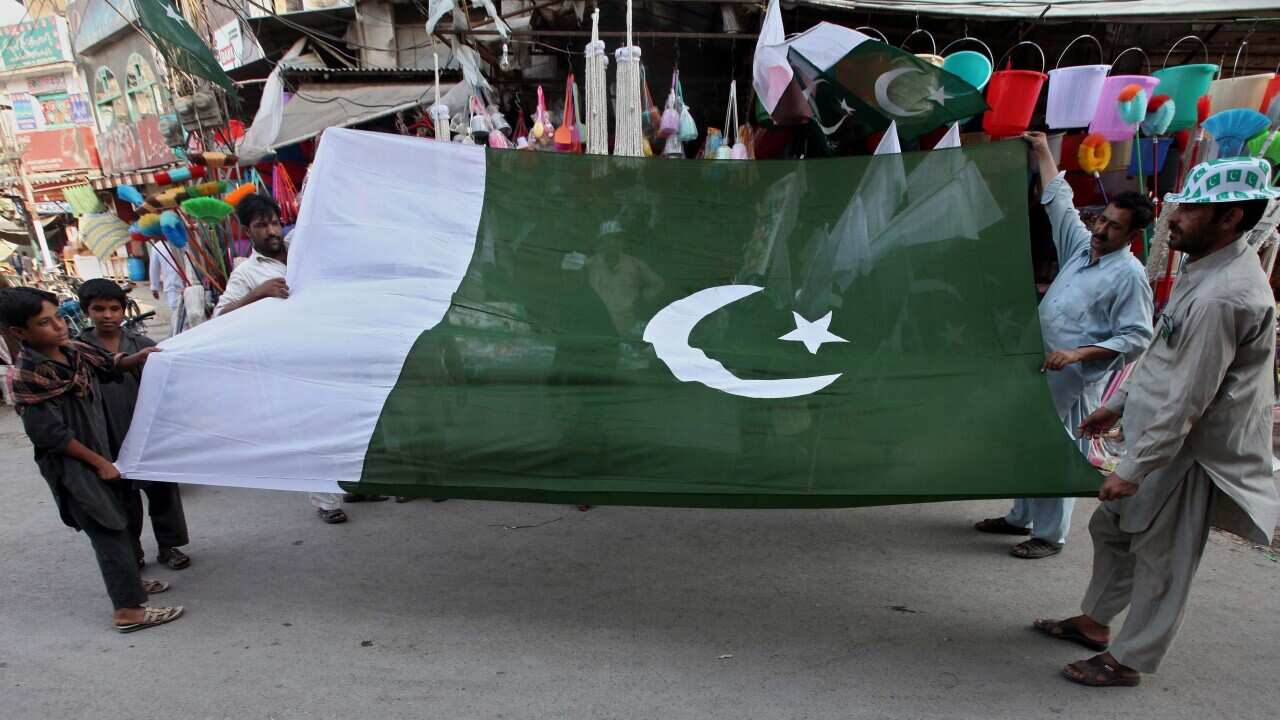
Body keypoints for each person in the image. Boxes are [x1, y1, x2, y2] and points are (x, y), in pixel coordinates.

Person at [1034, 157, 1280, 687]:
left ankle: (1129, 660)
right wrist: (1118, 407)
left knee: (1162, 556)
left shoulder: (1225, 295)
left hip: (1192, 451)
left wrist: (1134, 468)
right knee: (1115, 528)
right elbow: (1163, 355)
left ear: (1231, 217)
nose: (1174, 218)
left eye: (1190, 209)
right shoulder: (1207, 269)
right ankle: (1095, 624)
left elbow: (1189, 397)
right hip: (1159, 436)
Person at [974, 132, 1156, 559]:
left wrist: (1078, 354)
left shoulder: (1128, 275)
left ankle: (1050, 535)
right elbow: (1060, 204)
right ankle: (1021, 516)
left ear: (1131, 235)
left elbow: (1136, 336)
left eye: (1114, 227)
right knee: (1026, 439)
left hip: (1074, 379)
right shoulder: (1081, 248)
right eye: (1102, 219)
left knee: (1057, 450)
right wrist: (1041, 151)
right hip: (1038, 366)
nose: (1102, 229)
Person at [0, 286, 183, 633]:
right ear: (19, 333)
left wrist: (138, 359)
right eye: (45, 322)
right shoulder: (29, 374)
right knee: (108, 528)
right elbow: (50, 435)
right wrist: (99, 463)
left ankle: (130, 584)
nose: (57, 326)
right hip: (74, 465)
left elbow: (110, 365)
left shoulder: (72, 351)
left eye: (57, 317)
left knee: (121, 518)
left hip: (100, 451)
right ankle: (128, 611)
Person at [214, 194, 384, 522]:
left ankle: (355, 485)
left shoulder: (303, 249)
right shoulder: (247, 274)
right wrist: (258, 293)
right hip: (293, 364)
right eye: (261, 225)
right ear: (247, 232)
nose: (271, 231)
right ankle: (326, 502)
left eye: (275, 222)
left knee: (349, 424)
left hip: (334, 351)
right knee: (314, 429)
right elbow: (220, 317)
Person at [77, 279, 191, 570]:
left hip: (149, 431)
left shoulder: (142, 344)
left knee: (163, 491)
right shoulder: (78, 350)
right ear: (86, 311)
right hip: (107, 433)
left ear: (124, 310)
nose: (107, 315)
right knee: (123, 498)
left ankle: (170, 546)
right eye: (98, 309)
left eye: (114, 308)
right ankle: (133, 551)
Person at [148, 240, 189, 315]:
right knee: (177, 313)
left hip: (190, 283)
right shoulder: (157, 247)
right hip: (172, 287)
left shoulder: (183, 242)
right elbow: (154, 268)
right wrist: (154, 287)